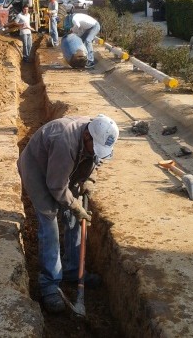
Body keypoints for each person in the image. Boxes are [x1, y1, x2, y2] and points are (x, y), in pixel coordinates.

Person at [17, 114, 120, 313]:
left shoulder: (93, 136)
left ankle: (73, 270)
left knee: (73, 217)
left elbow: (95, 158)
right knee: (50, 223)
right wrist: (74, 204)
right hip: (37, 169)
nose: (96, 151)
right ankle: (50, 285)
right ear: (87, 137)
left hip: (63, 170)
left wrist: (90, 179)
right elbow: (56, 186)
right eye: (94, 147)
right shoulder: (65, 142)